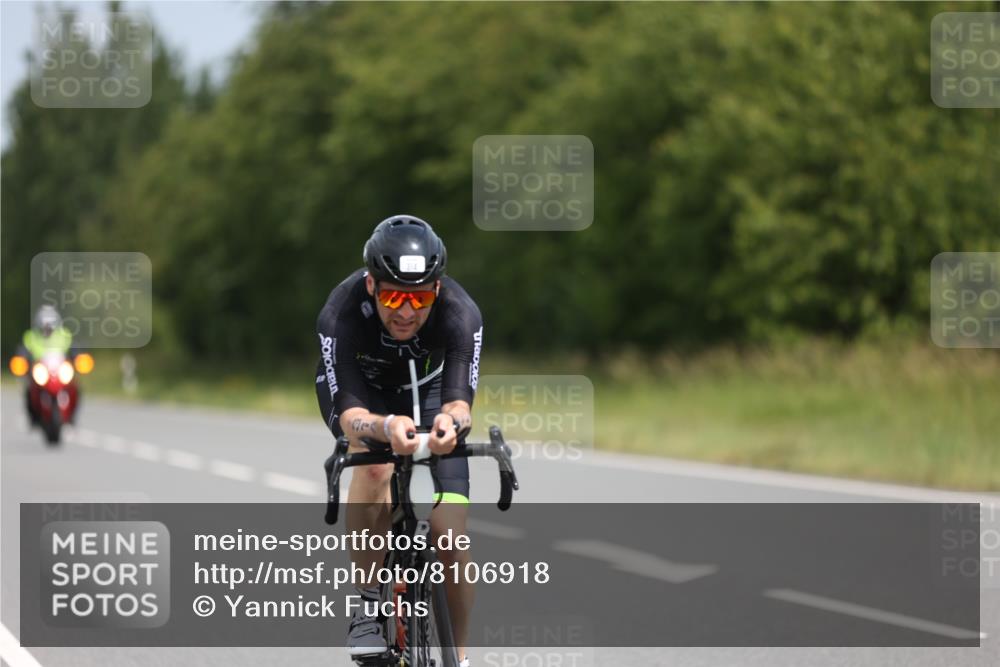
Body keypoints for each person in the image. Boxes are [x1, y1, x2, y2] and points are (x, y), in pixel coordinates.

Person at [315, 215, 483, 667]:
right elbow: (351, 416)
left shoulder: (461, 313)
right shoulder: (341, 312)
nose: (406, 311)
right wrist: (386, 428)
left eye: (420, 297)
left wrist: (451, 425)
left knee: (450, 535)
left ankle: (459, 658)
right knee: (374, 466)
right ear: (371, 285)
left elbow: (460, 402)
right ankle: (369, 607)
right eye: (393, 295)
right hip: (363, 397)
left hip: (428, 394)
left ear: (438, 290)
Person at [18, 305, 75, 424]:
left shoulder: (64, 334)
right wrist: (22, 359)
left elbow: (74, 348)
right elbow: (23, 350)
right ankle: (33, 417)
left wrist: (78, 356)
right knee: (28, 390)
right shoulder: (32, 336)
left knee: (75, 388)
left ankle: (72, 415)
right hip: (39, 371)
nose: (47, 328)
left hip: (59, 371)